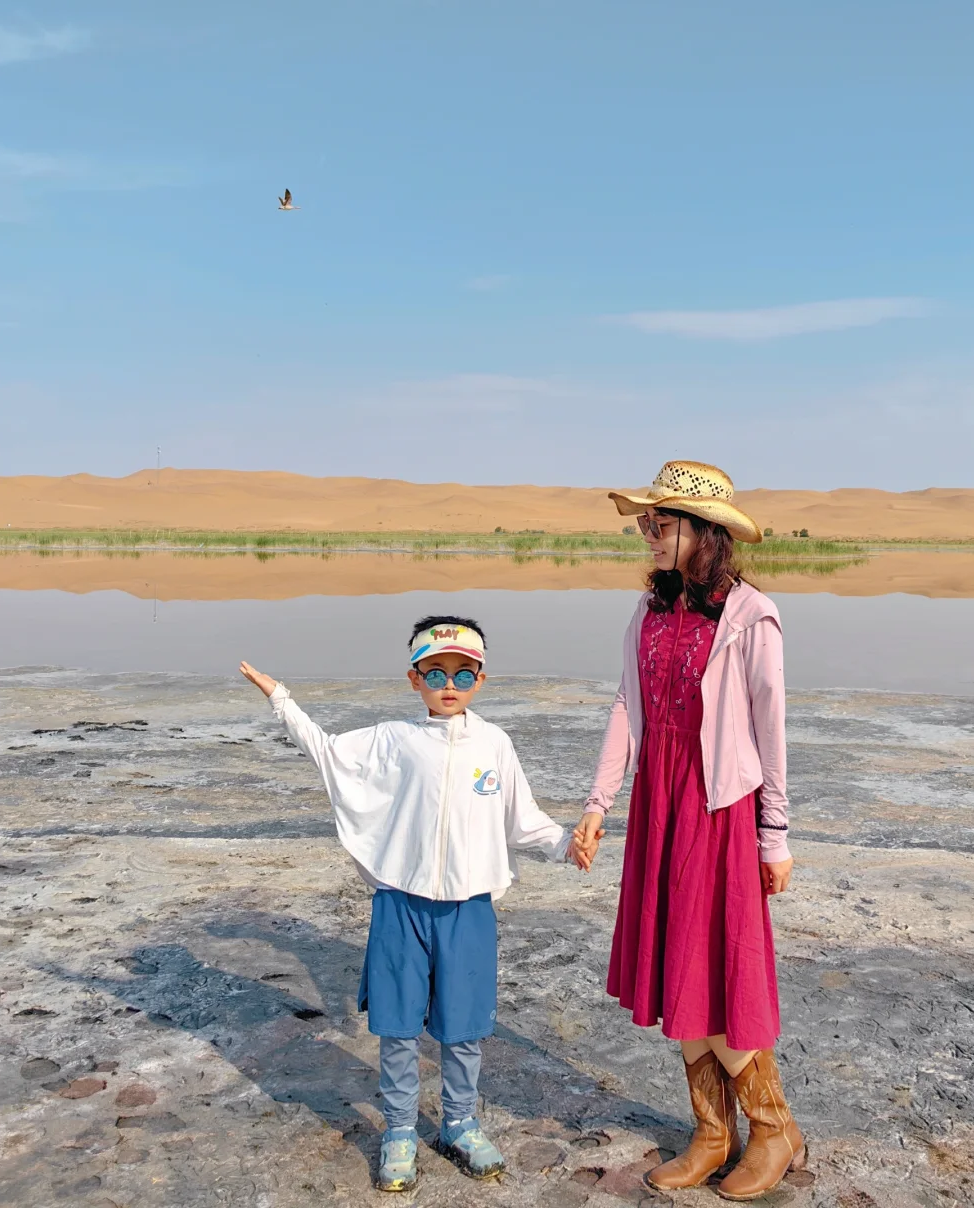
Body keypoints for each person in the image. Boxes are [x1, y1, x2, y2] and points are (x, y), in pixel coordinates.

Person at [241, 615, 581, 1193]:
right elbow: (326, 753)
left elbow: (523, 821)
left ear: (481, 678)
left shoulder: (495, 744)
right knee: (397, 1028)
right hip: (400, 904)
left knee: (463, 1027)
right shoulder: (392, 739)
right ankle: (399, 1131)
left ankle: (460, 1123)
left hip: (468, 908)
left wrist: (568, 843)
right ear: (414, 677)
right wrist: (282, 699)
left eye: (464, 674)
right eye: (436, 672)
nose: (450, 684)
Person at [571, 461, 807, 1200]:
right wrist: (598, 803)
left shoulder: (750, 617)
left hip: (718, 810)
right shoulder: (647, 613)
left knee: (721, 972)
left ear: (705, 533)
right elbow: (625, 706)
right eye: (646, 523)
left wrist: (775, 835)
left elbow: (772, 733)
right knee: (680, 970)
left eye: (661, 523)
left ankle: (773, 1130)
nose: (648, 534)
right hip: (659, 808)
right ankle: (712, 1133)